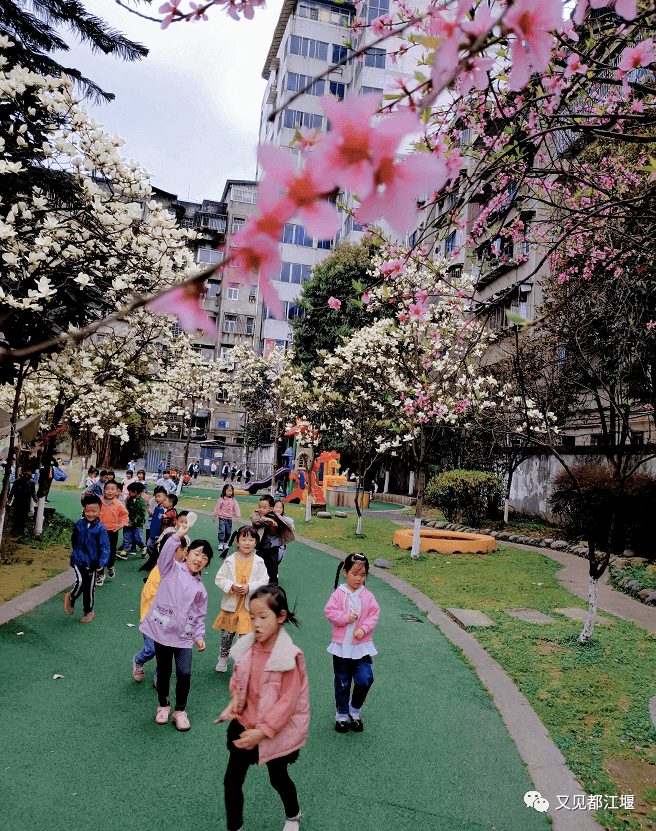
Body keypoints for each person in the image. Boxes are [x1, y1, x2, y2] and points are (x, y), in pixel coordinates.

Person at [214, 585, 308, 831]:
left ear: (281, 616)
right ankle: (235, 826)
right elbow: (238, 680)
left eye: (263, 617)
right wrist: (234, 701)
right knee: (231, 781)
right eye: (252, 617)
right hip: (245, 726)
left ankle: (293, 814)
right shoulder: (247, 649)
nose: (256, 624)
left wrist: (263, 731)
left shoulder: (289, 656)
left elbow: (287, 703)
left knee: (278, 779)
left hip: (275, 733)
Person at [139, 519, 212, 731]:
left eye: (205, 557)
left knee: (184, 672)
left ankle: (180, 710)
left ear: (206, 564)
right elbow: (164, 555)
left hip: (184, 638)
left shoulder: (201, 590)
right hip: (162, 633)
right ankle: (163, 706)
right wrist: (177, 536)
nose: (199, 559)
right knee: (163, 672)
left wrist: (199, 636)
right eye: (196, 553)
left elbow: (199, 615)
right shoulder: (171, 568)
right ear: (186, 553)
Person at [324, 553, 379, 733]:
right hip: (341, 648)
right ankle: (342, 715)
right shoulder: (339, 594)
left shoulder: (368, 596)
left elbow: (373, 614)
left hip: (362, 648)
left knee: (365, 680)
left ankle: (354, 710)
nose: (359, 578)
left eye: (363, 575)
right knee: (342, 683)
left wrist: (364, 629)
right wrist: (345, 618)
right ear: (345, 573)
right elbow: (330, 612)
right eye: (355, 574)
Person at [133, 530, 190, 684]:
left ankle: (160, 675)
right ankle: (139, 659)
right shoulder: (159, 571)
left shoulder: (185, 571)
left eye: (178, 550)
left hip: (171, 622)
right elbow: (147, 597)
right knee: (151, 649)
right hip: (153, 619)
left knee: (164, 652)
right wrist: (144, 620)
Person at [213, 525, 269, 673]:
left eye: (251, 539)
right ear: (237, 542)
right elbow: (219, 579)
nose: (247, 543)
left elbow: (264, 581)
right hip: (231, 605)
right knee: (227, 634)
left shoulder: (259, 562)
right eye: (244, 539)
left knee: (244, 637)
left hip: (248, 607)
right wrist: (232, 586)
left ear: (256, 542)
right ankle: (223, 656)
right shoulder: (230, 561)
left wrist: (250, 588)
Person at [64, 495, 110, 623]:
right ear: (84, 510)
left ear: (100, 511)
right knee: (80, 580)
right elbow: (75, 539)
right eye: (87, 511)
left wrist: (102, 562)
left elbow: (105, 547)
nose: (90, 514)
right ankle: (72, 597)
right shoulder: (79, 523)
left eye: (93, 511)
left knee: (89, 587)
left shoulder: (101, 528)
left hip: (93, 562)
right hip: (78, 559)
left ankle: (88, 611)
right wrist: (76, 552)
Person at [250, 495, 295, 585]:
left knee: (273, 567)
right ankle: (257, 584)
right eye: (259, 506)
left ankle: (273, 586)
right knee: (258, 565)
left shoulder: (275, 516)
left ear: (271, 508)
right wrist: (265, 519)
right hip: (261, 547)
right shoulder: (257, 515)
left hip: (273, 547)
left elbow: (286, 522)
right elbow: (254, 520)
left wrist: (281, 524)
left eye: (264, 507)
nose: (261, 509)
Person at [96, 479, 129, 586]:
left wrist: (121, 524)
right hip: (99, 532)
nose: (110, 491)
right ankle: (100, 575)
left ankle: (110, 566)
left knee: (110, 553)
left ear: (117, 491)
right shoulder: (99, 503)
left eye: (112, 489)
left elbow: (125, 515)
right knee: (99, 553)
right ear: (104, 490)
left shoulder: (118, 504)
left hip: (112, 532)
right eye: (107, 489)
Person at [120, 482, 147, 557]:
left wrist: (132, 522)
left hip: (137, 524)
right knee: (126, 536)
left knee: (137, 537)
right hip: (128, 522)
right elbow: (127, 509)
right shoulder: (130, 499)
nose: (128, 493)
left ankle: (144, 547)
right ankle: (124, 551)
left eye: (130, 492)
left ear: (135, 492)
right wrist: (126, 520)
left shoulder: (142, 502)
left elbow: (141, 515)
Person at [213, 483, 241, 553]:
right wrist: (214, 515)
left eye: (231, 491)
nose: (229, 492)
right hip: (222, 517)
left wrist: (237, 516)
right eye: (228, 491)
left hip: (229, 518)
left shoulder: (233, 500)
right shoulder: (221, 499)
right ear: (224, 491)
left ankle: (225, 542)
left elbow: (236, 508)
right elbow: (217, 507)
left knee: (228, 532)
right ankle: (221, 542)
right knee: (222, 530)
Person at [8, 468, 36, 535]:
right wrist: (10, 498)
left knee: (23, 515)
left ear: (31, 472)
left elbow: (33, 491)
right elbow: (13, 490)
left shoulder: (32, 482)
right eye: (25, 471)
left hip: (26, 501)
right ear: (22, 472)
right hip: (17, 500)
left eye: (28, 471)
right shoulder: (17, 481)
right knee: (16, 514)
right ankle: (15, 528)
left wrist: (35, 497)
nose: (26, 472)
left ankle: (21, 529)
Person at [273, 500, 295, 565]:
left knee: (277, 561)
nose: (279, 509)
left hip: (280, 544)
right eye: (276, 507)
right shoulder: (269, 517)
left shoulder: (285, 519)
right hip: (270, 544)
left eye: (281, 507)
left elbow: (292, 527)